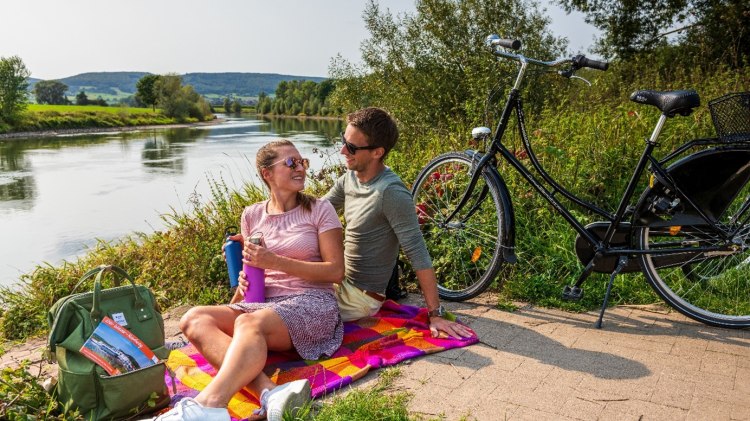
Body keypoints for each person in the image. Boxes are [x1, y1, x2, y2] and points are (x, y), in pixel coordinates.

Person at [154, 140, 344, 421]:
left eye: (302, 161)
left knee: (247, 322)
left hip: (313, 303)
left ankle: (209, 404)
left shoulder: (319, 209)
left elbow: (335, 271)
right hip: (265, 307)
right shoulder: (252, 215)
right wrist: (242, 285)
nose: (300, 168)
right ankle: (270, 392)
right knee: (194, 318)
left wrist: (275, 262)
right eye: (291, 163)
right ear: (267, 173)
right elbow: (252, 283)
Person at [324, 107, 473, 339]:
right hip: (338, 281)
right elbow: (315, 213)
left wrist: (435, 313)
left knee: (288, 310)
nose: (343, 150)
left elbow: (417, 252)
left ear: (377, 152)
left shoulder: (390, 193)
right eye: (344, 141)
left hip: (360, 297)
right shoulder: (349, 179)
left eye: (352, 147)